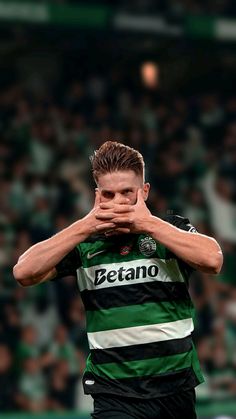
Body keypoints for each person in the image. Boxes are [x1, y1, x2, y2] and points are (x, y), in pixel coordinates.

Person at [13, 141, 223, 418]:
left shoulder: (171, 231)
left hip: (175, 388)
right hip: (114, 393)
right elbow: (23, 272)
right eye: (109, 194)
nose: (118, 203)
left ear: (144, 192)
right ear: (97, 197)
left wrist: (147, 223)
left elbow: (213, 259)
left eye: (127, 192)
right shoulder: (84, 244)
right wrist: (86, 225)